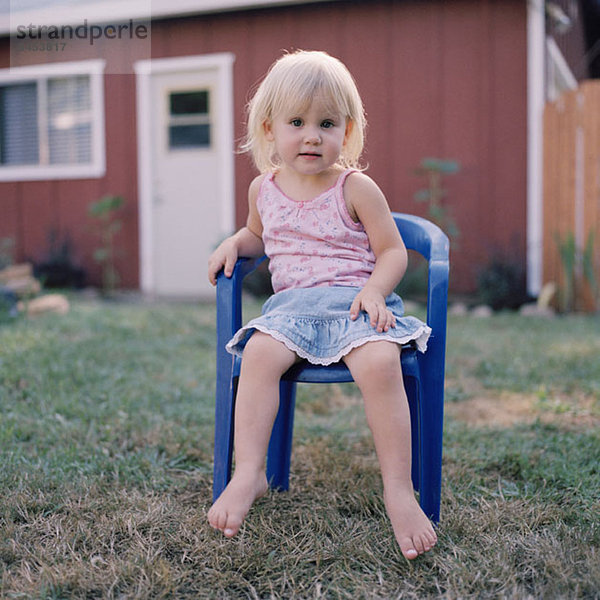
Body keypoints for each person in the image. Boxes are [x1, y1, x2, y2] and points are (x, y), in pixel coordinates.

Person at [207, 50, 437, 560]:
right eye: (297, 122)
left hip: (355, 306)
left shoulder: (355, 187)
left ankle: (398, 490)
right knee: (258, 359)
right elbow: (256, 235)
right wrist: (234, 243)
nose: (311, 135)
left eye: (326, 123)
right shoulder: (262, 189)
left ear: (347, 130)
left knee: (380, 365)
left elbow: (393, 250)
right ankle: (250, 473)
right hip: (290, 314)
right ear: (270, 129)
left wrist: (375, 290)